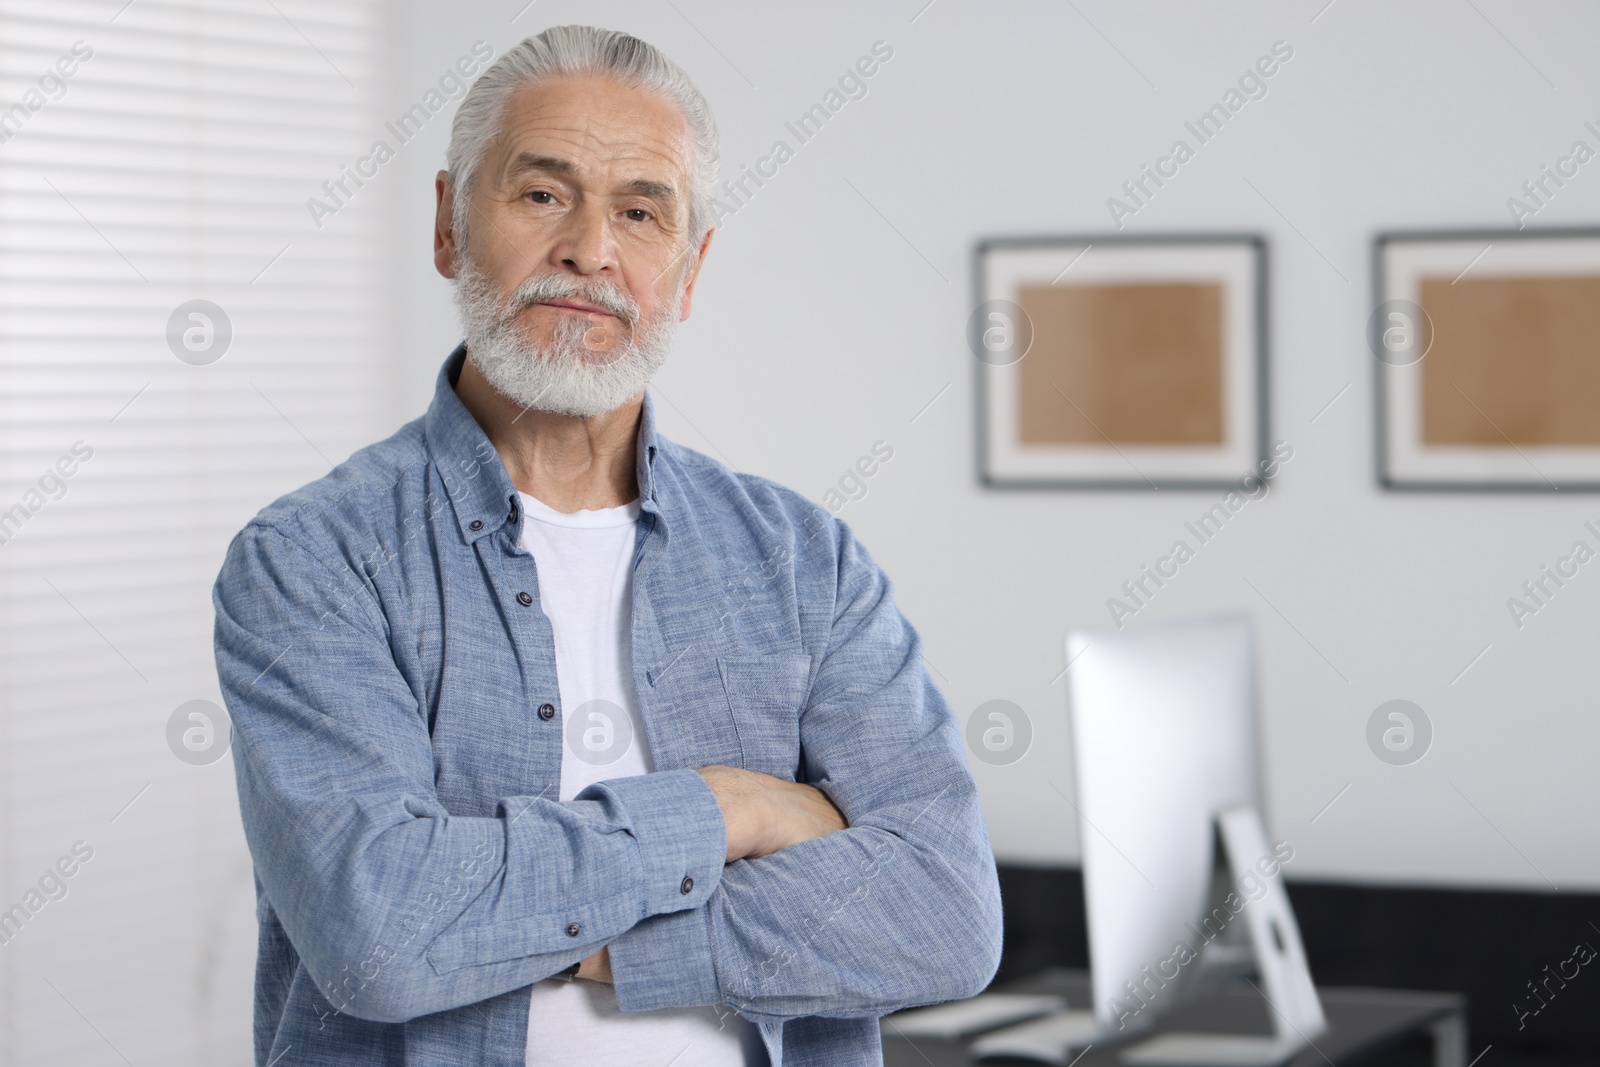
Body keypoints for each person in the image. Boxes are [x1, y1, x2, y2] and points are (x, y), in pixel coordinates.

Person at [213, 24, 1002, 1067]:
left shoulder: (808, 563)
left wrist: (536, 922)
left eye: (640, 210)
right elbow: (384, 936)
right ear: (449, 225)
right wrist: (732, 810)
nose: (590, 248)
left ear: (687, 269)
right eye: (543, 194)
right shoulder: (313, 558)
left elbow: (943, 916)